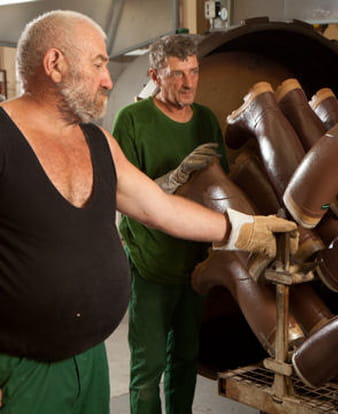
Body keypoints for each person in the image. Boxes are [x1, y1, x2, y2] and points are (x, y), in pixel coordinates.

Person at [0, 10, 296, 413]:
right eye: (99, 64)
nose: (108, 79)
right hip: (20, 370)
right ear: (55, 64)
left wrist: (245, 229)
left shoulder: (97, 141)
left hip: (90, 357)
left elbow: (160, 210)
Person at [111, 34, 226, 413]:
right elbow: (124, 194)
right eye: (177, 74)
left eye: (193, 71)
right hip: (151, 264)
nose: (188, 82)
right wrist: (175, 177)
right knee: (149, 365)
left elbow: (221, 189)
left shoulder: (206, 119)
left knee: (187, 358)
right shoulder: (133, 120)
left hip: (194, 264)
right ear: (155, 75)